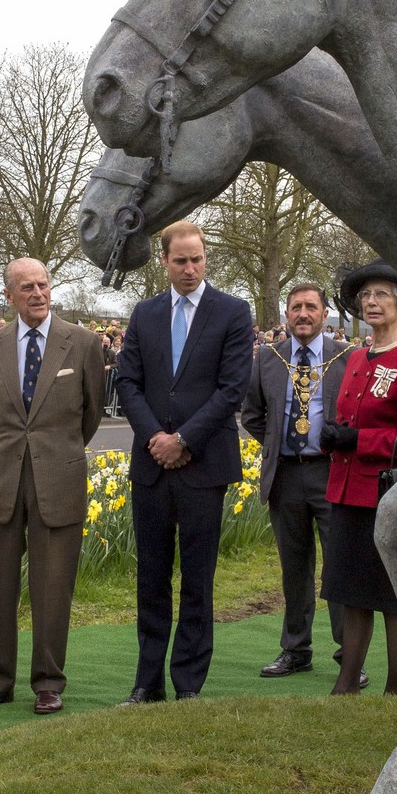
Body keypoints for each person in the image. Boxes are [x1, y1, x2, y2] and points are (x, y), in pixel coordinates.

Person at [115, 221, 253, 703]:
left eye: (196, 259)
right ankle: (146, 683)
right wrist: (156, 436)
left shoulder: (233, 312)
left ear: (205, 257)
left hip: (203, 466)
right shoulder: (145, 313)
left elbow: (231, 388)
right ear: (164, 262)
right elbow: (127, 382)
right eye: (180, 260)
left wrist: (185, 440)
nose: (190, 268)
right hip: (152, 466)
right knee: (151, 577)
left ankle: (188, 684)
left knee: (197, 580)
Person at [0, 258, 105, 714]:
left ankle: (48, 682)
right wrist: (12, 449)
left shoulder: (83, 343)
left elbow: (92, 415)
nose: (37, 293)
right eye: (26, 287)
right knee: (1, 583)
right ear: (9, 295)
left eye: (43, 284)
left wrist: (56, 451)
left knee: (53, 585)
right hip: (6, 475)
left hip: (59, 478)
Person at [319, 259, 397, 694]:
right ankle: (347, 682)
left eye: (382, 295)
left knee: (390, 596)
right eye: (366, 295)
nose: (371, 302)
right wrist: (334, 437)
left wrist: (359, 440)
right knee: (350, 592)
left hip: (384, 495)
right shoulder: (355, 358)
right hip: (347, 493)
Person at [241, 285, 361, 682]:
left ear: (325, 314)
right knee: (294, 567)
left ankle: (350, 654)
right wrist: (279, 442)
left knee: (341, 566)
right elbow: (252, 415)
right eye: (296, 307)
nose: (303, 314)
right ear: (286, 314)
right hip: (287, 474)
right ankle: (296, 650)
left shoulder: (347, 358)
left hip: (333, 473)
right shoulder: (267, 360)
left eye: (311, 307)